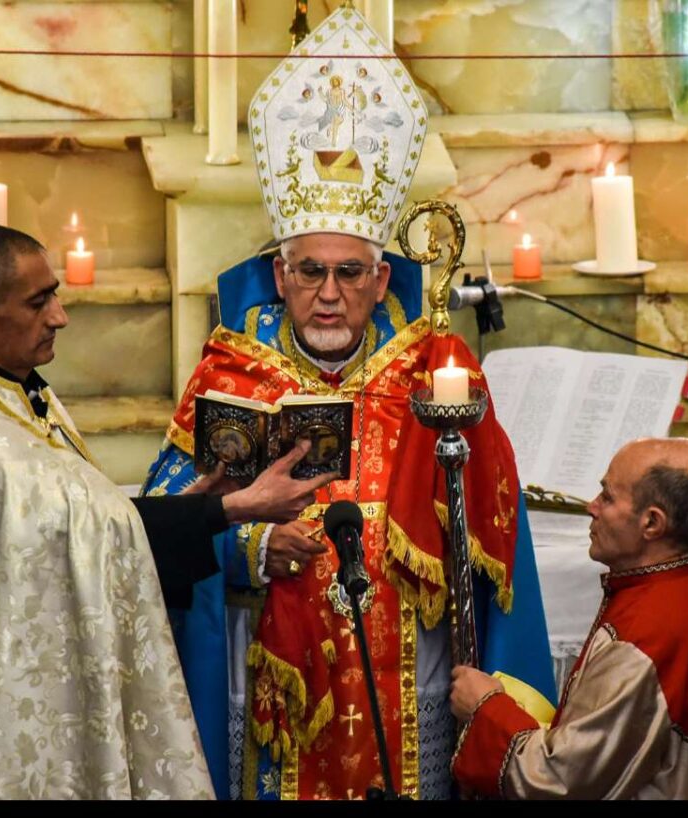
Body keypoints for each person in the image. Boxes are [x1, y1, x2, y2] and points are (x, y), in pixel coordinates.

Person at [140, 5, 556, 801]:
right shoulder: (232, 374)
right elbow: (168, 517)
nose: (328, 295)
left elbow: (493, 531)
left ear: (380, 277)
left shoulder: (434, 375)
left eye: (349, 273)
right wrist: (252, 551)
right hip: (274, 683)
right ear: (280, 271)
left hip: (408, 675)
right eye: (309, 272)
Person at [0, 225, 329, 799]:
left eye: (56, 294)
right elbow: (76, 533)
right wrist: (238, 509)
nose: (61, 316)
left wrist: (197, 505)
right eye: (39, 302)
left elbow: (85, 524)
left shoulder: (7, 387)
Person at [449, 438, 688, 800]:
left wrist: (485, 707)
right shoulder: (680, 587)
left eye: (607, 497)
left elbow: (559, 778)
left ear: (651, 523)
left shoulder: (649, 636)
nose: (592, 508)